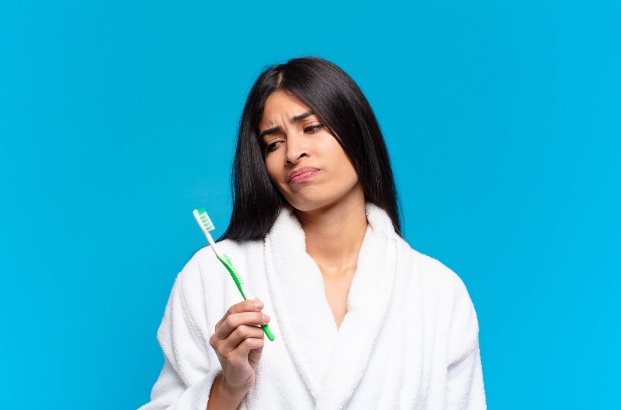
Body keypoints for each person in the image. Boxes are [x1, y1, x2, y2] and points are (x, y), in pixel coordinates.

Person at [140, 57, 486, 410]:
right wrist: (228, 388)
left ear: (356, 132)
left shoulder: (438, 293)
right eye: (273, 144)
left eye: (312, 127)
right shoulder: (213, 275)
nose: (293, 153)